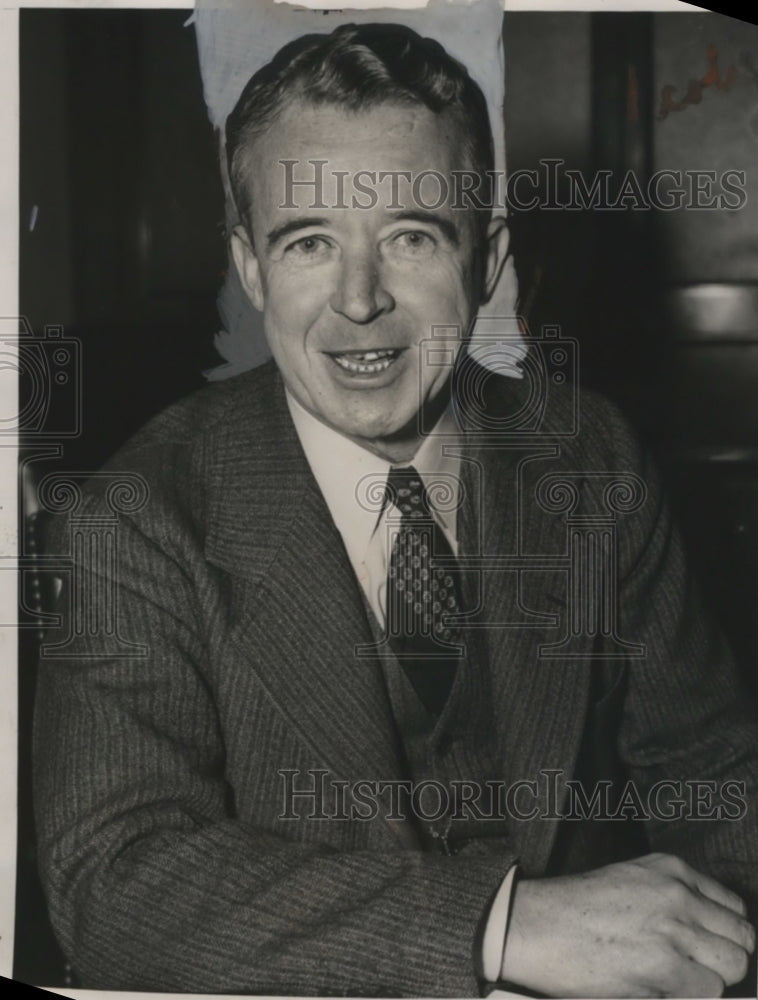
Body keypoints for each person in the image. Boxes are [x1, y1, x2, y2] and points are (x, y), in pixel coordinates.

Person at [33, 22, 758, 998]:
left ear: (486, 258)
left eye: (410, 237)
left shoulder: (590, 459)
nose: (359, 300)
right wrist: (498, 925)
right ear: (250, 267)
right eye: (308, 242)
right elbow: (113, 883)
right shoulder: (133, 520)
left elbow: (715, 775)